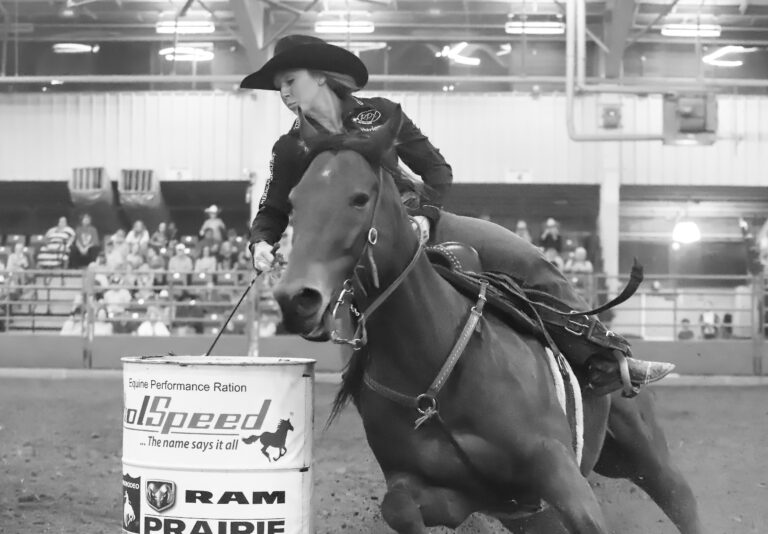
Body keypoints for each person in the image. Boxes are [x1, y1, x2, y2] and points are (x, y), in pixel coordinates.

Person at [240, 34, 673, 395]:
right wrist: (261, 241)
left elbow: (436, 170)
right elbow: (272, 207)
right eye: (279, 86)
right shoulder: (289, 149)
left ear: (320, 76)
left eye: (290, 81)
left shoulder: (381, 114)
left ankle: (605, 357)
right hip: (354, 249)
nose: (284, 93)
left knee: (527, 260)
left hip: (420, 222)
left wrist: (426, 215)